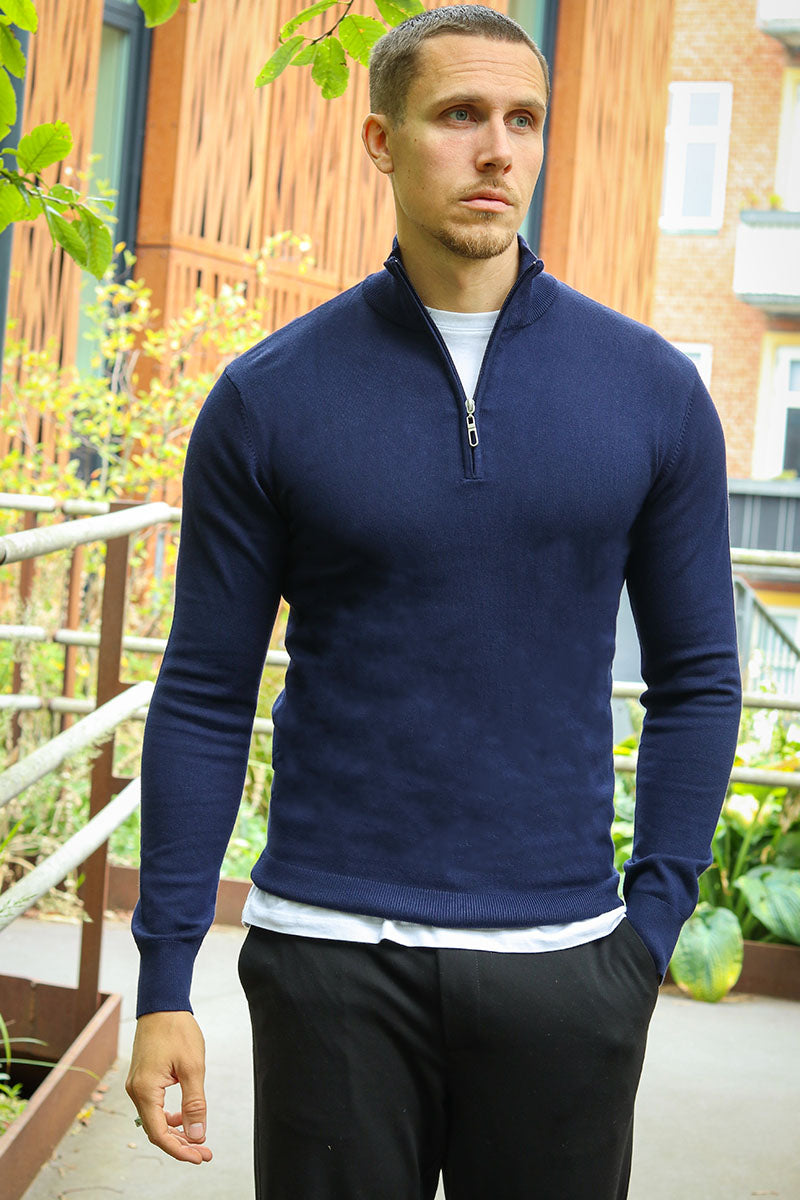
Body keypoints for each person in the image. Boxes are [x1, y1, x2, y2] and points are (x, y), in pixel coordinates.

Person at [126, 6, 743, 1198]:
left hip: (565, 965)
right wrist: (164, 985)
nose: (496, 149)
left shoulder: (651, 393)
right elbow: (202, 693)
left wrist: (647, 938)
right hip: (327, 958)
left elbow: (697, 681)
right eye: (459, 115)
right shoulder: (268, 399)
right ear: (381, 139)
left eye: (523, 120)